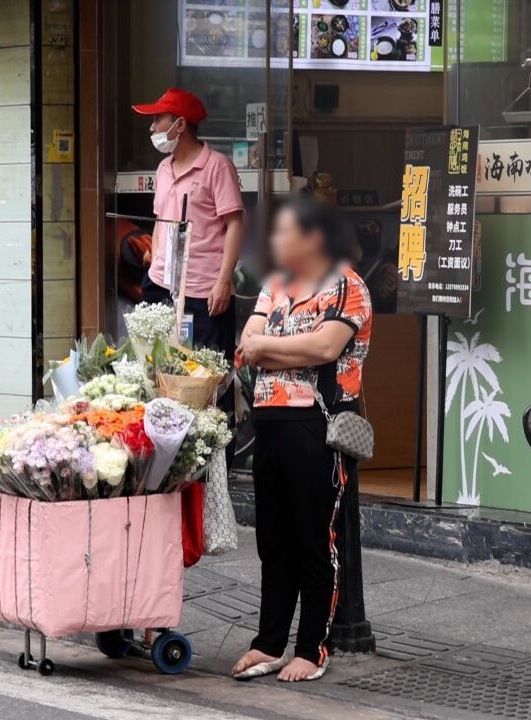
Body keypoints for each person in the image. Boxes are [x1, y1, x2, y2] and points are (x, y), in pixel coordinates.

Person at [230, 196, 373, 683]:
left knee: (315, 540)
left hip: (319, 427)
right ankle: (268, 642)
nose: (274, 244)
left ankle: (313, 647)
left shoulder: (348, 287)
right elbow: (245, 348)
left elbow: (325, 346)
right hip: (269, 426)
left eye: (283, 234)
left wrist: (268, 347)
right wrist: (273, 350)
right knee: (273, 542)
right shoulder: (277, 285)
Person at [131, 88, 245, 359]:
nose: (152, 127)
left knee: (208, 376)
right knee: (159, 368)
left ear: (180, 124)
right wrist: (155, 260)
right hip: (161, 286)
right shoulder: (163, 169)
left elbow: (235, 225)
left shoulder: (217, 167)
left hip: (204, 292)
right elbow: (160, 219)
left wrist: (223, 282)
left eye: (158, 119)